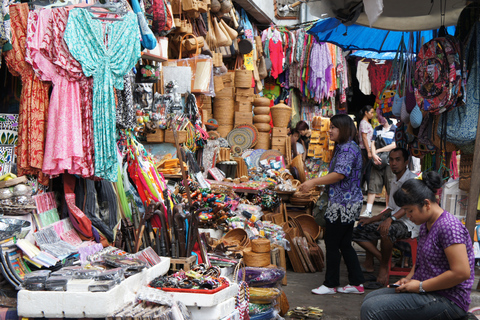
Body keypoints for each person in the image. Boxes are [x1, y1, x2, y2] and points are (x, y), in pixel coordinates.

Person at [360, 171, 474, 320]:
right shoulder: (426, 224)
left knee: (372, 309)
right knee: (371, 298)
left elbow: (461, 272)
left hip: (449, 299)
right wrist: (408, 279)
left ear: (426, 204)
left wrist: (420, 286)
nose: (408, 216)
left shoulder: (449, 226)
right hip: (428, 290)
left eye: (410, 210)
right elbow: (420, 260)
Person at [299, 114, 364, 295]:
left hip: (343, 204)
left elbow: (339, 174)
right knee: (344, 243)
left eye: (334, 127)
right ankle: (357, 283)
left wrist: (313, 182)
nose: (330, 131)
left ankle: (330, 284)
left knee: (333, 242)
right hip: (347, 202)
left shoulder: (347, 149)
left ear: (343, 128)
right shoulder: (346, 147)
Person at [353, 147, 419, 286]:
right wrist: (372, 218)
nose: (394, 163)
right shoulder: (394, 180)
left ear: (406, 162)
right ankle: (383, 258)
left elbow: (408, 206)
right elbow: (391, 208)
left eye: (398, 160)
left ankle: (383, 266)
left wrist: (391, 219)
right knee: (359, 229)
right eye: (391, 160)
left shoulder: (412, 180)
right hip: (395, 219)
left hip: (410, 223)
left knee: (386, 230)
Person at [360, 117, 396, 218]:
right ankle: (368, 210)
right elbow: (372, 143)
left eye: (382, 117)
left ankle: (389, 210)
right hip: (377, 161)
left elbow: (394, 145)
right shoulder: (377, 129)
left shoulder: (395, 129)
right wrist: (374, 155)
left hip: (389, 161)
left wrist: (377, 152)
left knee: (390, 185)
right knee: (373, 184)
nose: (380, 119)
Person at [356, 105, 374, 191]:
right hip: (364, 149)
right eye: (371, 112)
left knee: (367, 170)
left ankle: (367, 189)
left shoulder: (366, 123)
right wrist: (368, 151)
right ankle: (359, 189)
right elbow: (364, 138)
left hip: (367, 149)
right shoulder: (363, 123)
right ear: (366, 113)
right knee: (363, 170)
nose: (372, 115)